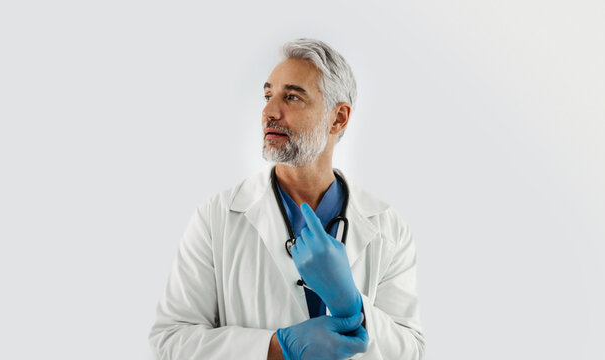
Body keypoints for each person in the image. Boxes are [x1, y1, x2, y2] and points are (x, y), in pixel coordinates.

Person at [149, 38, 425, 360]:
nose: (269, 112)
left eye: (291, 97)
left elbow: (411, 352)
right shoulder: (217, 218)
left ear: (338, 118)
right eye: (268, 95)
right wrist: (277, 348)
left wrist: (352, 303)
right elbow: (170, 340)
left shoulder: (388, 228)